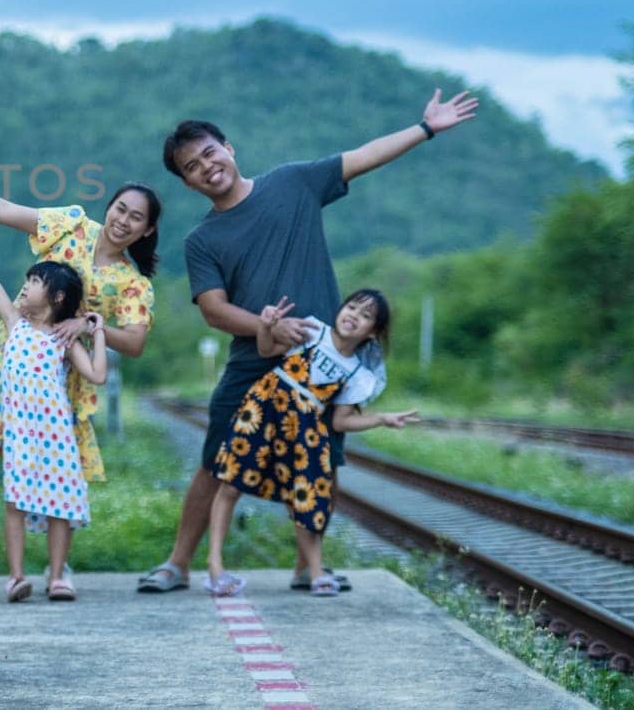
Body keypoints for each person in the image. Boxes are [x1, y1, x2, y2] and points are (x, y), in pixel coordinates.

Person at [137, 89, 477, 594]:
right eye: (191, 167)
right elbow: (213, 309)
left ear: (229, 148)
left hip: (324, 363)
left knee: (321, 461)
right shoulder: (202, 241)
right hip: (253, 363)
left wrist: (424, 128)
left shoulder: (292, 183)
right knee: (216, 460)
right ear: (187, 183)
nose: (205, 167)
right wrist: (265, 327)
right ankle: (179, 564)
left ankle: (307, 567)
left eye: (209, 153)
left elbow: (361, 158)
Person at [0, 163, 160, 596]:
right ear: (109, 207)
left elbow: (134, 341)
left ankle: (57, 567)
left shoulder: (133, 283)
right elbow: (5, 209)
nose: (123, 220)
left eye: (135, 218)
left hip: (62, 380)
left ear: (147, 230)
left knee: (56, 468)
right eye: (120, 209)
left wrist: (90, 327)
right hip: (10, 357)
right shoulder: (71, 225)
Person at [205, 289, 419, 597]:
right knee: (231, 483)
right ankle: (215, 567)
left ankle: (317, 572)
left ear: (372, 332)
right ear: (341, 308)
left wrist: (381, 419)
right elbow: (267, 351)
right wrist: (266, 326)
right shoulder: (311, 331)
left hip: (306, 426)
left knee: (306, 495)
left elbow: (340, 421)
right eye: (352, 307)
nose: (353, 316)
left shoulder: (359, 374)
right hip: (265, 408)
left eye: (365, 316)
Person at [0, 214, 108, 601]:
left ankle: (57, 577)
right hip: (19, 433)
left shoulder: (64, 339)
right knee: (16, 501)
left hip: (56, 434)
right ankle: (16, 576)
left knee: (60, 504)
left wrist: (96, 329)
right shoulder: (14, 323)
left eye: (34, 282)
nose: (25, 286)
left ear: (56, 298)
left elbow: (97, 375)